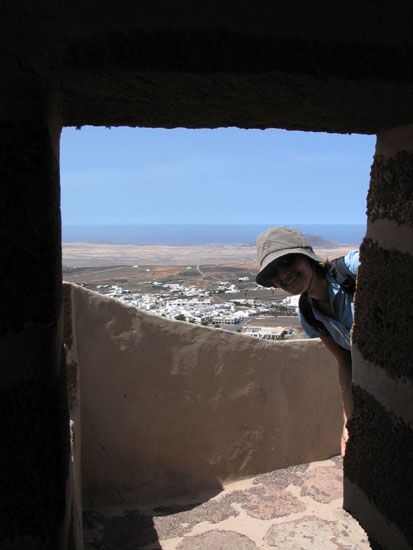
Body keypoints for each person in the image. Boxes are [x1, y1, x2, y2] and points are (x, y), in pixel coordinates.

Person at [255, 226, 360, 456]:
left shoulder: (350, 269)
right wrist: (348, 422)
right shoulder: (308, 314)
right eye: (273, 271)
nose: (284, 275)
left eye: (287, 261)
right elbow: (345, 361)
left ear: (307, 257)